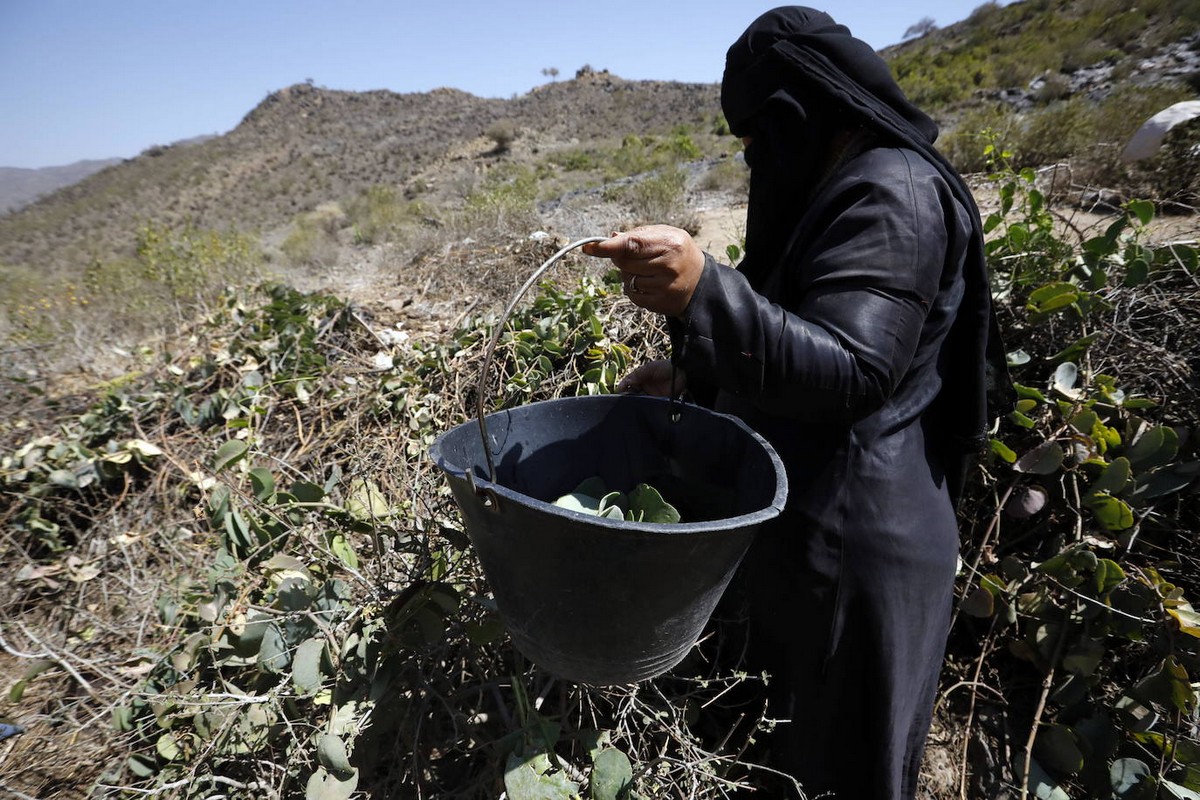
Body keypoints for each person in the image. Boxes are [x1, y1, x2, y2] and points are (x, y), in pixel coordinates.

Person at [583, 6, 1010, 799]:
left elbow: (853, 370)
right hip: (822, 533)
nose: (752, 159)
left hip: (859, 552)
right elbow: (806, 330)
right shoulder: (842, 185)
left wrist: (704, 292)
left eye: (757, 138)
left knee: (840, 772)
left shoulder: (891, 192)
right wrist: (691, 380)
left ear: (806, 115)